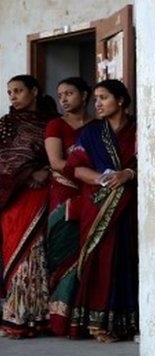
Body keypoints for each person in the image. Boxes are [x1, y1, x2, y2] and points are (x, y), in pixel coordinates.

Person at [62, 79, 138, 341]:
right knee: (99, 259)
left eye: (103, 98)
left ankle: (126, 323)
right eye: (95, 99)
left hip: (129, 208)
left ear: (120, 101)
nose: (98, 104)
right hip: (98, 205)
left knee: (126, 259)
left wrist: (127, 174)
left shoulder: (139, 129)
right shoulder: (92, 132)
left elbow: (150, 161)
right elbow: (77, 167)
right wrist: (103, 179)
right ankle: (97, 323)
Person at [1, 75, 57, 337]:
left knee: (37, 253)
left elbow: (62, 155)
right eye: (10, 92)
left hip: (43, 194)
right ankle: (16, 314)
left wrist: (44, 170)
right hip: (13, 197)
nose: (13, 96)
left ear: (34, 91)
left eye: (18, 90)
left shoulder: (51, 123)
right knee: (18, 253)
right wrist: (27, 174)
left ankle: (38, 315)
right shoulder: (6, 125)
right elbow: (4, 161)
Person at [45, 77, 92, 336]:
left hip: (92, 192)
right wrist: (88, 173)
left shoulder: (97, 125)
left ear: (84, 96)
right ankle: (58, 317)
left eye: (69, 93)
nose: (63, 99)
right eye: (60, 94)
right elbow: (55, 161)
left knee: (88, 252)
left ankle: (79, 318)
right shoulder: (56, 125)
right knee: (62, 251)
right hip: (65, 194)